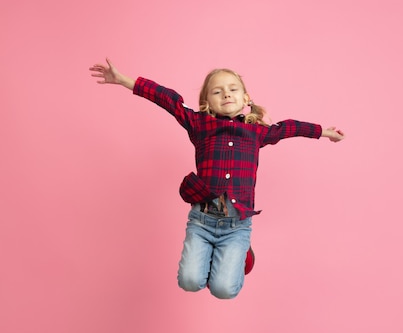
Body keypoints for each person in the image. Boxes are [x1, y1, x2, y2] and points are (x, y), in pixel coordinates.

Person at [90, 59, 344, 300]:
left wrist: (325, 132)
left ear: (245, 98)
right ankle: (216, 258)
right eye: (217, 91)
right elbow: (168, 100)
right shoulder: (200, 124)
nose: (226, 94)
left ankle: (240, 255)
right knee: (189, 282)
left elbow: (291, 127)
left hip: (237, 225)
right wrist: (124, 80)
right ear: (207, 103)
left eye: (233, 89)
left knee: (224, 290)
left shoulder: (257, 132)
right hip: (202, 222)